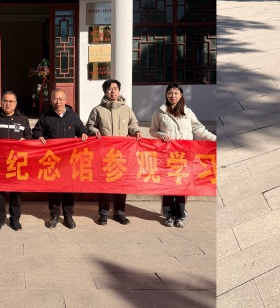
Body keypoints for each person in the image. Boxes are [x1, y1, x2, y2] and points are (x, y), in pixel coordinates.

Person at [149, 83, 216, 228]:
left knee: (182, 185)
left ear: (181, 95)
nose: (173, 96)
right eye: (170, 93)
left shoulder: (188, 112)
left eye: (176, 93)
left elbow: (199, 128)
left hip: (185, 156)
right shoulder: (160, 112)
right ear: (166, 95)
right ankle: (168, 215)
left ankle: (179, 215)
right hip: (167, 155)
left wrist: (214, 139)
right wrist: (160, 134)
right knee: (168, 185)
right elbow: (152, 130)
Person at [86, 79, 141, 226]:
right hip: (104, 154)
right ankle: (103, 213)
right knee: (103, 184)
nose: (112, 91)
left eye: (115, 88)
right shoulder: (98, 110)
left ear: (119, 91)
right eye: (109, 89)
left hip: (122, 155)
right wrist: (94, 131)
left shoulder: (126, 110)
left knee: (121, 184)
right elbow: (90, 125)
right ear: (105, 91)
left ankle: (119, 213)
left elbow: (133, 125)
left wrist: (136, 131)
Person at [32, 87, 88, 228]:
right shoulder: (46, 116)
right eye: (55, 99)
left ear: (65, 100)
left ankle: (68, 215)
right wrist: (39, 135)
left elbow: (81, 129)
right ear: (51, 101)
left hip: (68, 159)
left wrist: (84, 133)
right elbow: (36, 130)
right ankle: (54, 215)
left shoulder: (73, 116)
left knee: (69, 187)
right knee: (54, 188)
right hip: (53, 160)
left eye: (60, 99)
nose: (58, 102)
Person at [0, 90, 33, 231]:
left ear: (15, 104)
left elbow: (29, 134)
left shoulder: (23, 119)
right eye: (5, 101)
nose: (8, 104)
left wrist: (25, 140)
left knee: (16, 192)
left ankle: (15, 219)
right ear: (2, 102)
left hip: (16, 162)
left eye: (11, 101)